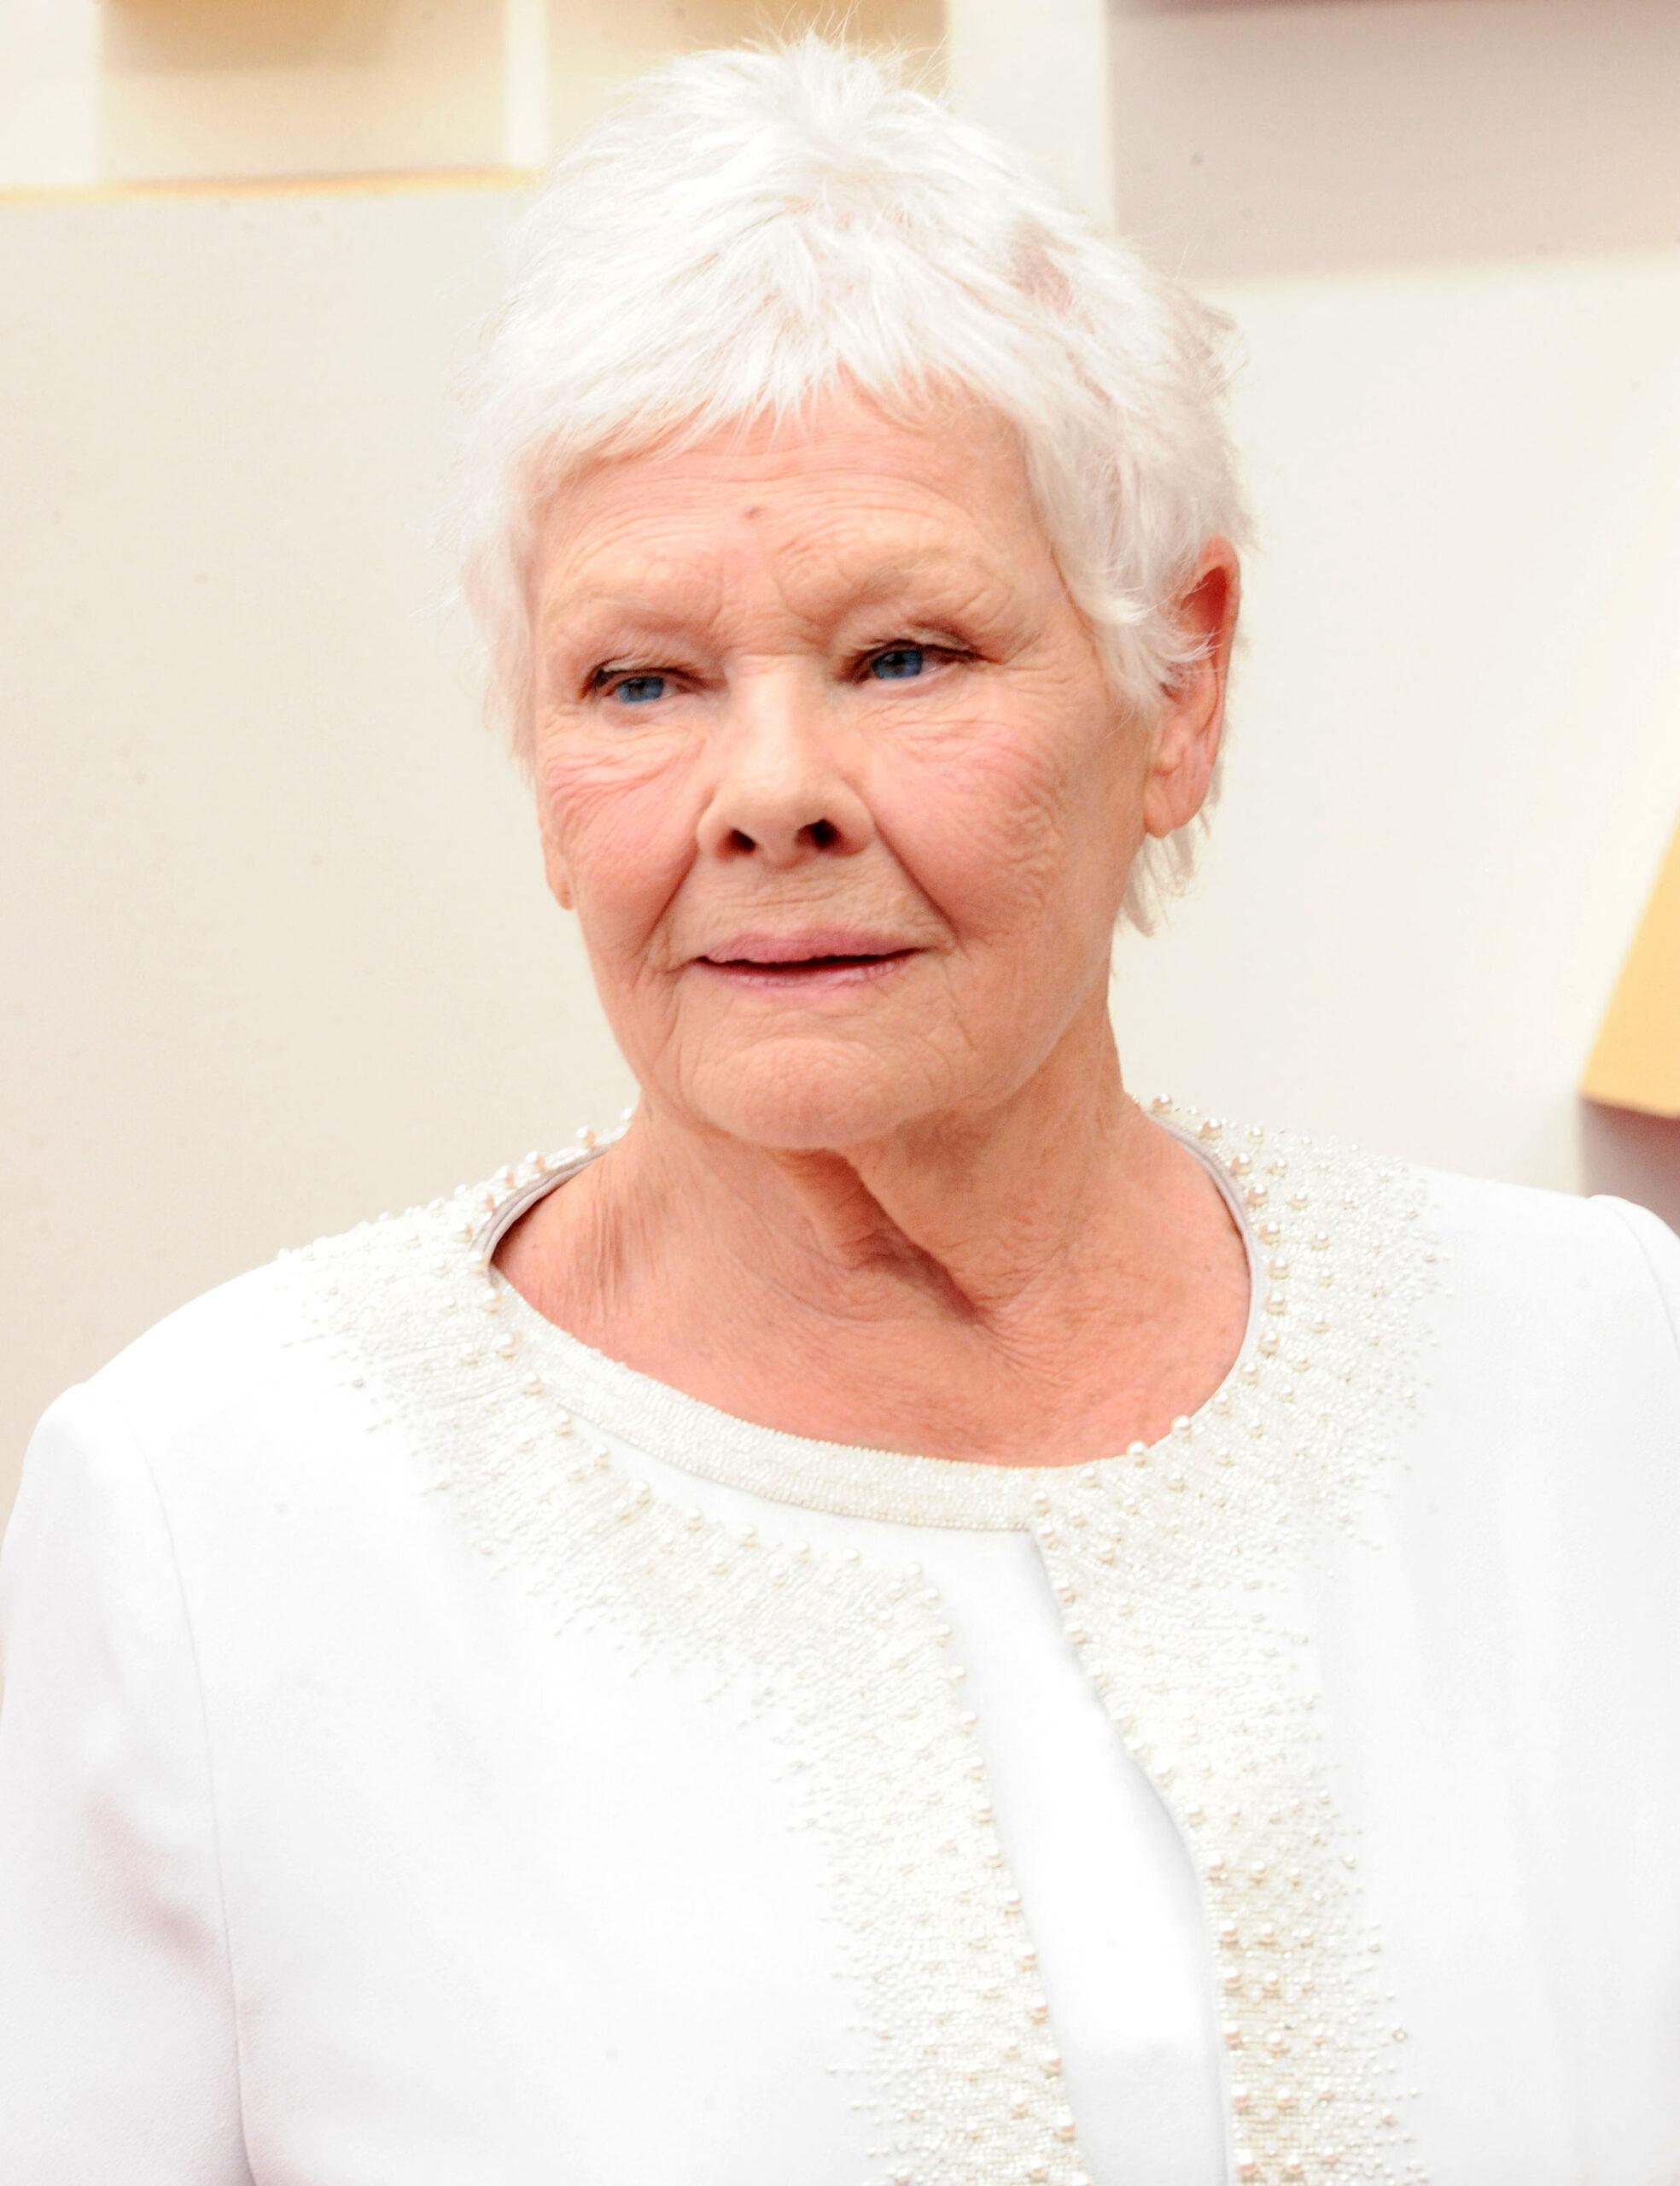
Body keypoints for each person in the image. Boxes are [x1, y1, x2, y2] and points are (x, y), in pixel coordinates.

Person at [2, 32, 1676, 2186]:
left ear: (1182, 683)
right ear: (538, 753)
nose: (769, 791)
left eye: (904, 653)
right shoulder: (215, 1512)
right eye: (641, 679)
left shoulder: (1586, 1362)